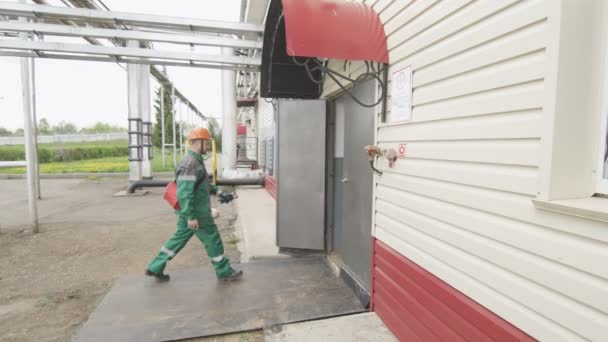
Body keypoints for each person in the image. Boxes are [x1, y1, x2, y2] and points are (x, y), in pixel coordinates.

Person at [146, 127, 242, 282]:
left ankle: (155, 267)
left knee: (178, 239)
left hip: (190, 212)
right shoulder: (190, 163)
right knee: (213, 239)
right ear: (199, 142)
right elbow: (184, 193)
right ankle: (223, 271)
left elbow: (203, 183)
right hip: (197, 213)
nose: (209, 146)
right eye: (207, 142)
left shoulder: (195, 161)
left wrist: (219, 193)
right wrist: (191, 216)